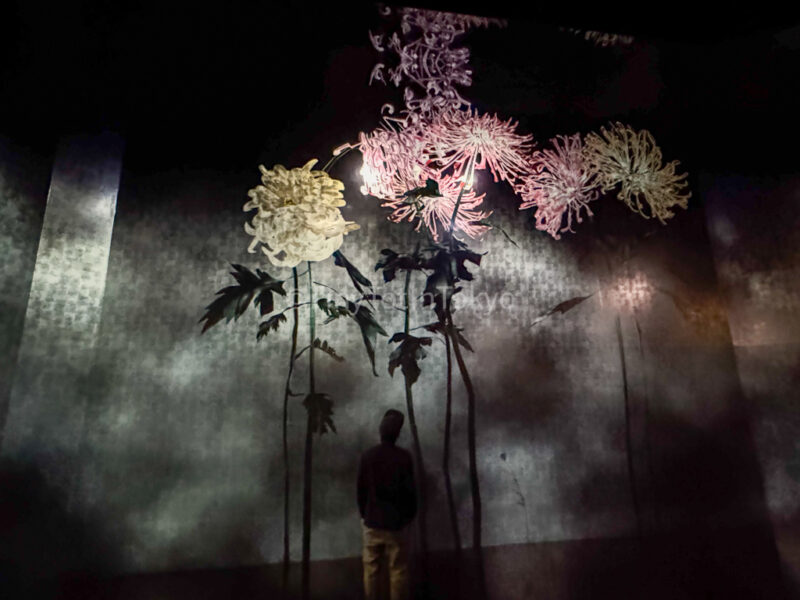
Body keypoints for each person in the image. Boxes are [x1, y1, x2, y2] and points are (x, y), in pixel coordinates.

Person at [357, 409, 417, 600]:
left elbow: (361, 491)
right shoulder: (404, 457)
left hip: (372, 522)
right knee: (398, 570)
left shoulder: (367, 456)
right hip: (396, 524)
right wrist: (408, 517)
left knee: (371, 570)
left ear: (380, 432)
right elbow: (410, 493)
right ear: (397, 433)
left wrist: (364, 515)